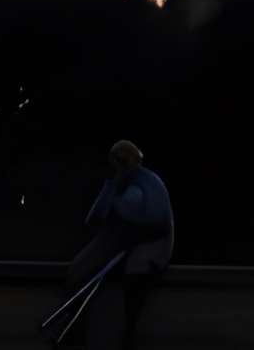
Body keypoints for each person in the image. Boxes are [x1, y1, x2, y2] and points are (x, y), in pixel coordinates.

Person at [57, 140, 173, 347]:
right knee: (81, 273)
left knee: (128, 298)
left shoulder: (147, 184)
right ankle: (76, 328)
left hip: (145, 254)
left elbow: (158, 222)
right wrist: (111, 189)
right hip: (126, 247)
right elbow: (95, 219)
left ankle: (123, 336)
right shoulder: (124, 183)